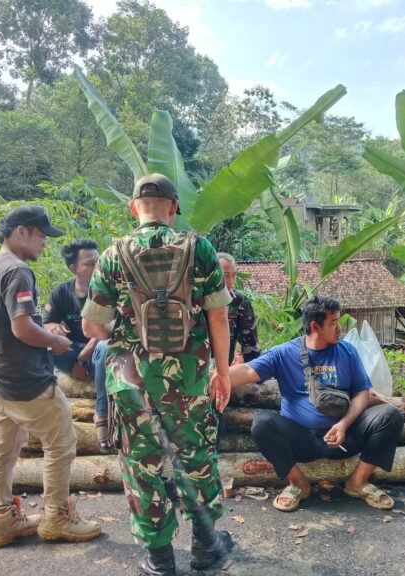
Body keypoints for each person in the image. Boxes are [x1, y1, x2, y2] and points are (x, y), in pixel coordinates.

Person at [82, 173, 233, 576]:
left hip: (131, 382)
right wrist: (222, 372)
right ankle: (206, 547)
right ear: (174, 207)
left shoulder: (113, 255)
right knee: (196, 458)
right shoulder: (200, 248)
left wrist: (123, 335)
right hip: (190, 378)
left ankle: (160, 557)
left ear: (133, 208)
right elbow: (219, 316)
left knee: (141, 464)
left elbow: (92, 325)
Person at [0, 205, 101, 547]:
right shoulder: (17, 270)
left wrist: (46, 333)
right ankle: (57, 516)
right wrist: (54, 340)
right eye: (41, 235)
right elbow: (22, 328)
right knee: (62, 443)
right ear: (21, 231)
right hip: (25, 378)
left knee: (4, 448)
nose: (45, 242)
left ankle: (2, 519)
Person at [222, 295, 404, 513]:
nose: (340, 328)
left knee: (390, 415)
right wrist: (212, 378)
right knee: (262, 423)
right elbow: (247, 370)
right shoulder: (284, 353)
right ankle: (298, 484)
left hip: (344, 438)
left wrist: (343, 425)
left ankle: (358, 482)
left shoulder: (347, 351)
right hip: (302, 441)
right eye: (333, 323)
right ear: (315, 326)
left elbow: (362, 394)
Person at [43, 239, 112, 453]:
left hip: (97, 350)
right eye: (90, 264)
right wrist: (53, 329)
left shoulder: (109, 291)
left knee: (106, 347)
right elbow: (47, 323)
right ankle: (41, 406)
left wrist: (82, 359)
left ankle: (102, 413)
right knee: (44, 345)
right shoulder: (61, 292)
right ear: (74, 269)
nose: (98, 267)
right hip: (72, 351)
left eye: (99, 261)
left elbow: (107, 331)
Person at [216, 252, 261, 365]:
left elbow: (251, 349)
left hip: (224, 371)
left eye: (234, 275)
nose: (231, 281)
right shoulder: (198, 301)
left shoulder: (239, 302)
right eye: (225, 276)